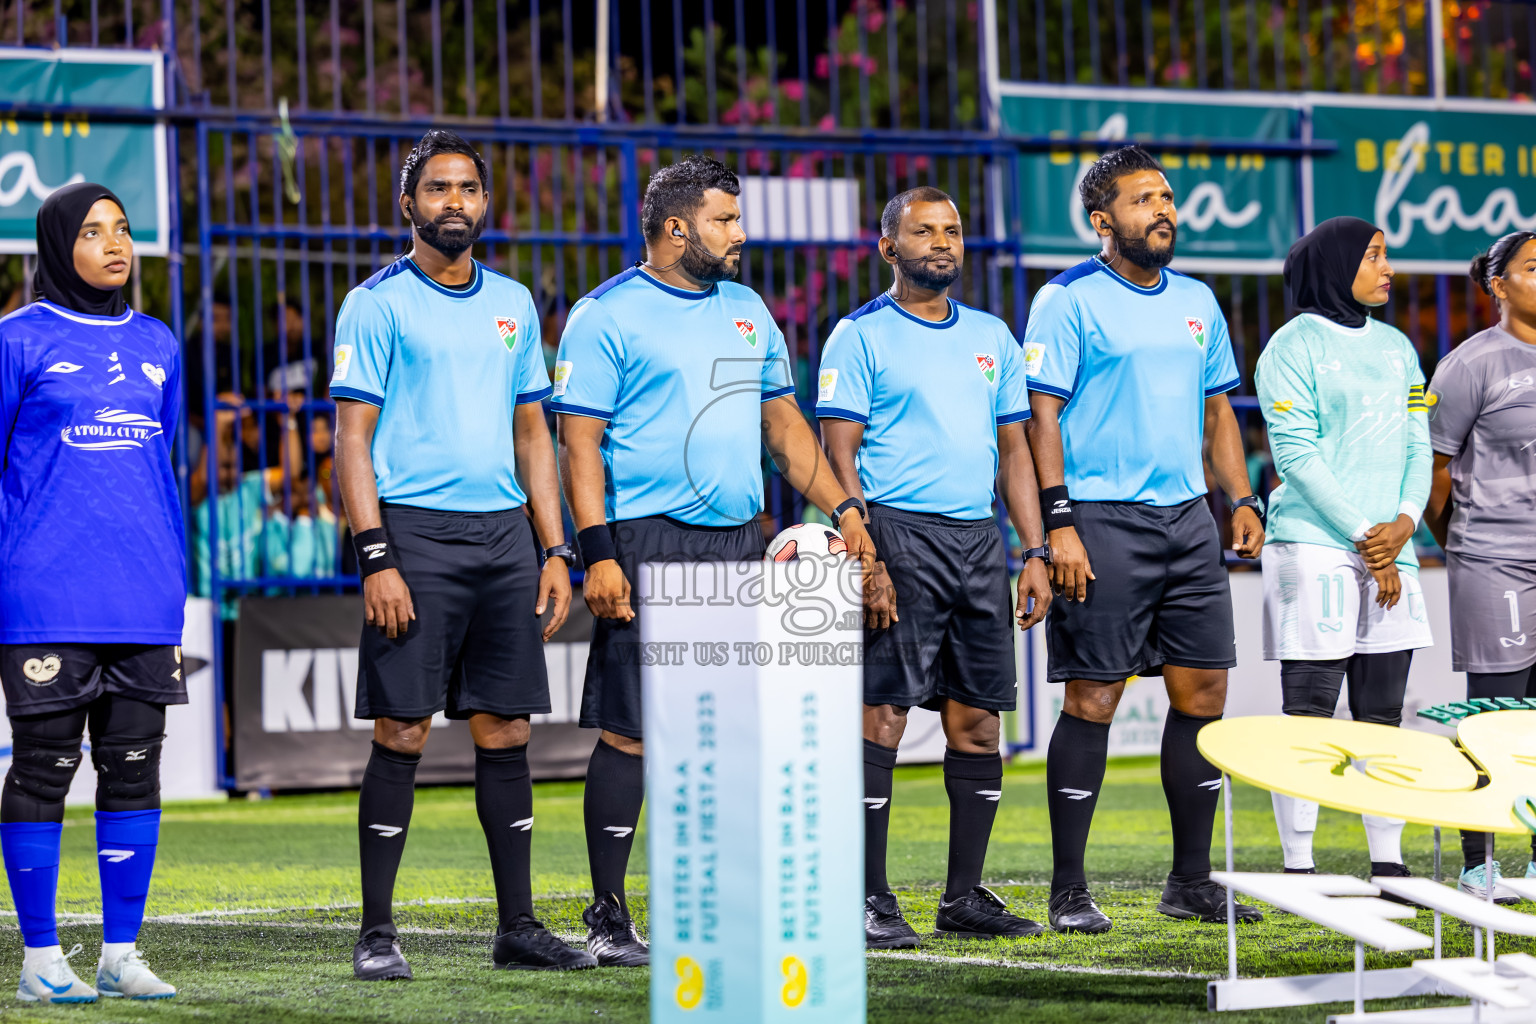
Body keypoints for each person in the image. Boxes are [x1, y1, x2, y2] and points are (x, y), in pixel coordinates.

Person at [552, 154, 877, 966]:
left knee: (724, 734)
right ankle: (608, 913)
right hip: (645, 543)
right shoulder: (606, 315)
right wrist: (598, 554)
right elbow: (578, 446)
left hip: (738, 541)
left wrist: (842, 507)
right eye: (725, 220)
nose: (739, 233)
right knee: (631, 733)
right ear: (675, 228)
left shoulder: (747, 310)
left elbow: (785, 426)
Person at [330, 129, 593, 978]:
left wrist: (557, 550)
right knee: (402, 728)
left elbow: (533, 435)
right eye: (437, 189)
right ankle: (377, 933)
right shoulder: (376, 302)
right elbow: (351, 440)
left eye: (468, 189)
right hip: (413, 534)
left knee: (506, 726)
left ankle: (518, 928)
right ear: (408, 204)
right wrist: (377, 556)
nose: (454, 202)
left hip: (506, 538)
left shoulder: (514, 300)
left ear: (485, 202)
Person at [1023, 146, 1266, 934]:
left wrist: (1239, 496)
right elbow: (1042, 417)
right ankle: (1069, 888)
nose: (1163, 210)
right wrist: (1059, 521)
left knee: (1205, 696)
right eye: (1143, 200)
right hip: (1101, 519)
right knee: (1094, 696)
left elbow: (1219, 412)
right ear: (1103, 220)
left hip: (1189, 520)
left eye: (1166, 197)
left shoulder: (1197, 299)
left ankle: (1190, 882)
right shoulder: (1066, 299)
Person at [817, 186, 1052, 946]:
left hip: (979, 542)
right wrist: (864, 548)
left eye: (951, 230)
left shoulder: (992, 336)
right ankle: (866, 898)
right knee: (882, 714)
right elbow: (837, 451)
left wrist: (1036, 548)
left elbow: (1015, 451)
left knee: (978, 723)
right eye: (923, 232)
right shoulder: (859, 335)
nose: (941, 242)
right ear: (889, 248)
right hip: (896, 533)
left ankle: (963, 899)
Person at [0, 183, 185, 1002]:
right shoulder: (16, 340)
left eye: (124, 230)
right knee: (43, 768)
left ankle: (120, 952)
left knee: (134, 769)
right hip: (45, 594)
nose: (116, 245)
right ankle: (40, 959)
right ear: (54, 245)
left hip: (143, 593)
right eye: (94, 232)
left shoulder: (159, 344)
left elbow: (160, 456)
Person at [1255, 217, 1432, 882]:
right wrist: (1366, 536)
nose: (1387, 268)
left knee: (1383, 712)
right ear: (1336, 265)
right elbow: (1295, 454)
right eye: (1374, 256)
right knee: (1309, 710)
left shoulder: (1398, 349)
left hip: (1392, 544)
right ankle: (1299, 863)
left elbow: (1420, 443)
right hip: (1314, 544)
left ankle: (1386, 859)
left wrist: (1404, 524)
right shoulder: (1291, 346)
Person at [1425, 229, 1536, 903]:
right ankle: (1478, 860)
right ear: (1498, 286)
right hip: (1495, 558)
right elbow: (1435, 472)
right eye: (1534, 267)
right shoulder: (1470, 365)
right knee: (1496, 715)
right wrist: (1462, 544)